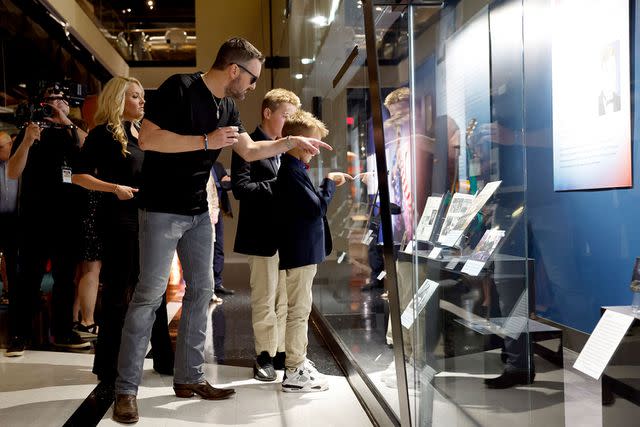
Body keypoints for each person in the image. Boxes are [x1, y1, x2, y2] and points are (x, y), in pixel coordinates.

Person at [112, 37, 330, 424]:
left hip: (199, 212)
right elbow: (147, 138)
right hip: (161, 210)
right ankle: (126, 391)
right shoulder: (179, 86)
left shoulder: (228, 106)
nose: (250, 87)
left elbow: (249, 150)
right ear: (234, 70)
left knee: (203, 293)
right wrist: (205, 141)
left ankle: (190, 377)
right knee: (148, 295)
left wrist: (290, 141)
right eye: (250, 78)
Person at [72, 76, 174, 385]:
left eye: (142, 96)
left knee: (153, 288)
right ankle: (107, 365)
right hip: (118, 220)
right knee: (119, 291)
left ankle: (164, 358)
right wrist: (113, 187)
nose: (142, 102)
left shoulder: (143, 133)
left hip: (148, 219)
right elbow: (79, 176)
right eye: (135, 97)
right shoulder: (102, 134)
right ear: (119, 100)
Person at [6, 85, 89, 356]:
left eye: (63, 99)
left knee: (66, 278)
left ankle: (63, 332)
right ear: (43, 102)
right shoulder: (31, 130)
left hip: (68, 216)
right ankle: (19, 335)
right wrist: (29, 140)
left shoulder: (72, 131)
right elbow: (13, 172)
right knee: (28, 277)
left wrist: (66, 120)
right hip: (35, 216)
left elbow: (92, 149)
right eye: (53, 99)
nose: (59, 103)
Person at [276, 110, 351, 392]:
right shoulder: (291, 170)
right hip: (299, 251)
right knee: (298, 311)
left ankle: (298, 362)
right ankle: (294, 371)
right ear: (296, 141)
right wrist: (330, 182)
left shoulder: (295, 169)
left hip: (303, 251)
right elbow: (316, 208)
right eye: (314, 144)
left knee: (300, 309)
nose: (316, 150)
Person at [231, 88, 301, 381]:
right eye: (286, 115)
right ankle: (264, 356)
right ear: (267, 112)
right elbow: (241, 188)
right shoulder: (248, 145)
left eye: (293, 117)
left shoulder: (289, 148)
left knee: (284, 299)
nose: (289, 122)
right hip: (260, 235)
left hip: (288, 237)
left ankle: (282, 352)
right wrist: (279, 185)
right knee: (264, 299)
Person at [0, 131, 18, 312]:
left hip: (14, 219)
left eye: (1, 147)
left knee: (12, 258)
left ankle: (12, 293)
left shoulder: (20, 165)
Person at [210, 161, 234, 296]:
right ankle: (207, 285)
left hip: (217, 210)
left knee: (218, 247)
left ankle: (217, 283)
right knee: (206, 250)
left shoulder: (217, 165)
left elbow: (228, 183)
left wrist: (224, 182)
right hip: (203, 211)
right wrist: (222, 182)